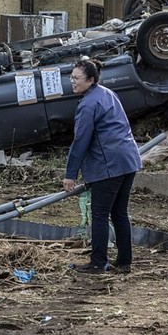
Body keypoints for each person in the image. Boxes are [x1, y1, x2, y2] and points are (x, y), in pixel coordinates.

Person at [62, 59, 142, 274]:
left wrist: (70, 174)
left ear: (90, 79)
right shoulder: (107, 93)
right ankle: (124, 261)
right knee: (119, 213)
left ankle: (98, 262)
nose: (72, 81)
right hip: (128, 160)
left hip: (110, 164)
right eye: (71, 77)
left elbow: (81, 141)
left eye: (76, 78)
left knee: (99, 214)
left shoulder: (89, 104)